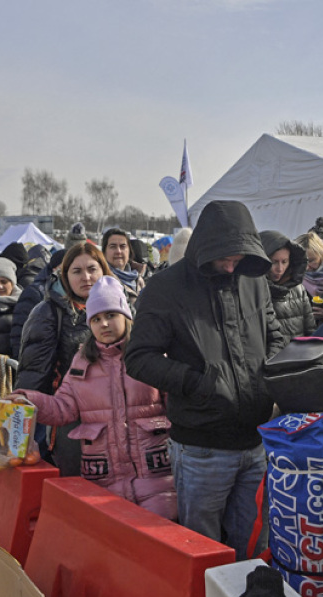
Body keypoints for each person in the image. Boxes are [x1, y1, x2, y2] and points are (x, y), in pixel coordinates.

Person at [125, 200, 286, 559]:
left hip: (256, 440)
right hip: (202, 448)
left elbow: (273, 333)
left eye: (238, 258)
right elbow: (138, 358)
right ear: (204, 248)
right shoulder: (166, 288)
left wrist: (270, 378)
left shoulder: (252, 278)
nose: (231, 266)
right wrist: (198, 383)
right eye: (224, 258)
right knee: (203, 551)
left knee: (251, 544)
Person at [7, 277, 175, 519]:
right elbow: (63, 407)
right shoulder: (82, 361)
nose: (104, 324)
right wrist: (29, 400)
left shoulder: (151, 354)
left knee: (157, 545)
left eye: (111, 315)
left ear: (127, 317)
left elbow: (175, 406)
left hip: (157, 483)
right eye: (96, 319)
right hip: (103, 486)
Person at [17, 242, 112, 476]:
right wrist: (20, 430)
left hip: (117, 418)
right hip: (71, 422)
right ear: (65, 275)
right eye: (77, 271)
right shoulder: (48, 312)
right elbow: (33, 376)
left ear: (103, 270)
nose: (86, 277)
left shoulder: (123, 307)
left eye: (92, 269)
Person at [259, 230, 315, 337]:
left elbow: (310, 331)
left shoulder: (298, 288)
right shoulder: (253, 291)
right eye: (274, 262)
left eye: (284, 262)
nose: (280, 269)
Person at [297, 231, 323, 324]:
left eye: (311, 260)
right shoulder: (294, 276)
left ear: (322, 254)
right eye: (303, 261)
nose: (307, 267)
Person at [102, 227, 146, 307]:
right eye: (113, 246)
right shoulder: (103, 281)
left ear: (129, 251)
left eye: (123, 246)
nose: (118, 251)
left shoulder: (138, 279)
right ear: (104, 252)